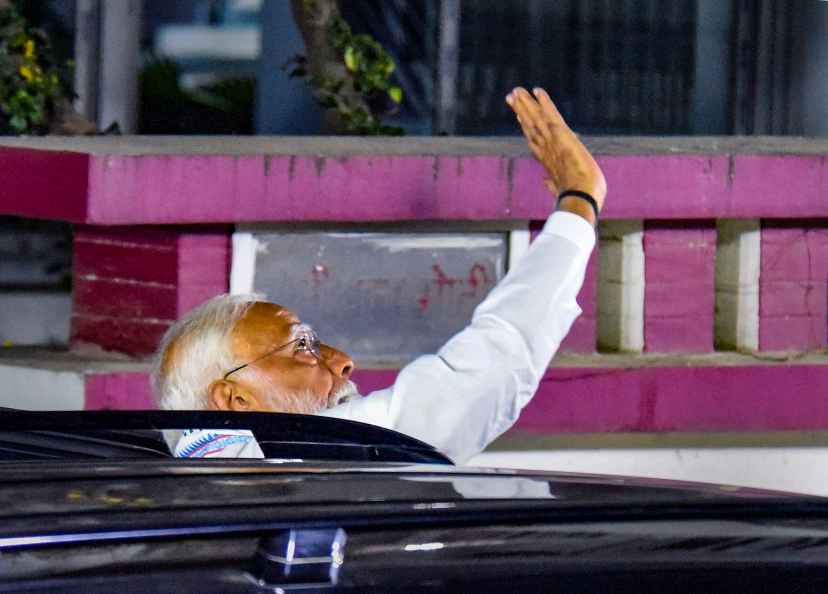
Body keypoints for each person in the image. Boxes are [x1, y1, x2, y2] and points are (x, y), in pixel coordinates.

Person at [152, 87, 606, 464]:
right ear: (235, 401)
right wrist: (581, 199)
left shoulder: (184, 479)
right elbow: (480, 377)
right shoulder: (303, 456)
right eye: (302, 346)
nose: (343, 360)